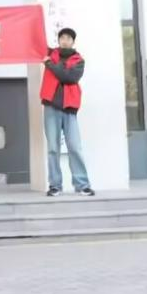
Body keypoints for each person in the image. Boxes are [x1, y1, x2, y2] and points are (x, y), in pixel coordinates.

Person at [41, 27, 95, 197]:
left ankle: (82, 185)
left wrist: (50, 64)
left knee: (75, 147)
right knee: (52, 148)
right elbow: (35, 43)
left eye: (68, 38)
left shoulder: (79, 61)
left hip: (69, 108)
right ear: (58, 40)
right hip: (51, 106)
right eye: (62, 38)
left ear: (73, 42)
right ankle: (55, 185)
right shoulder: (50, 53)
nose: (65, 41)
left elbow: (69, 77)